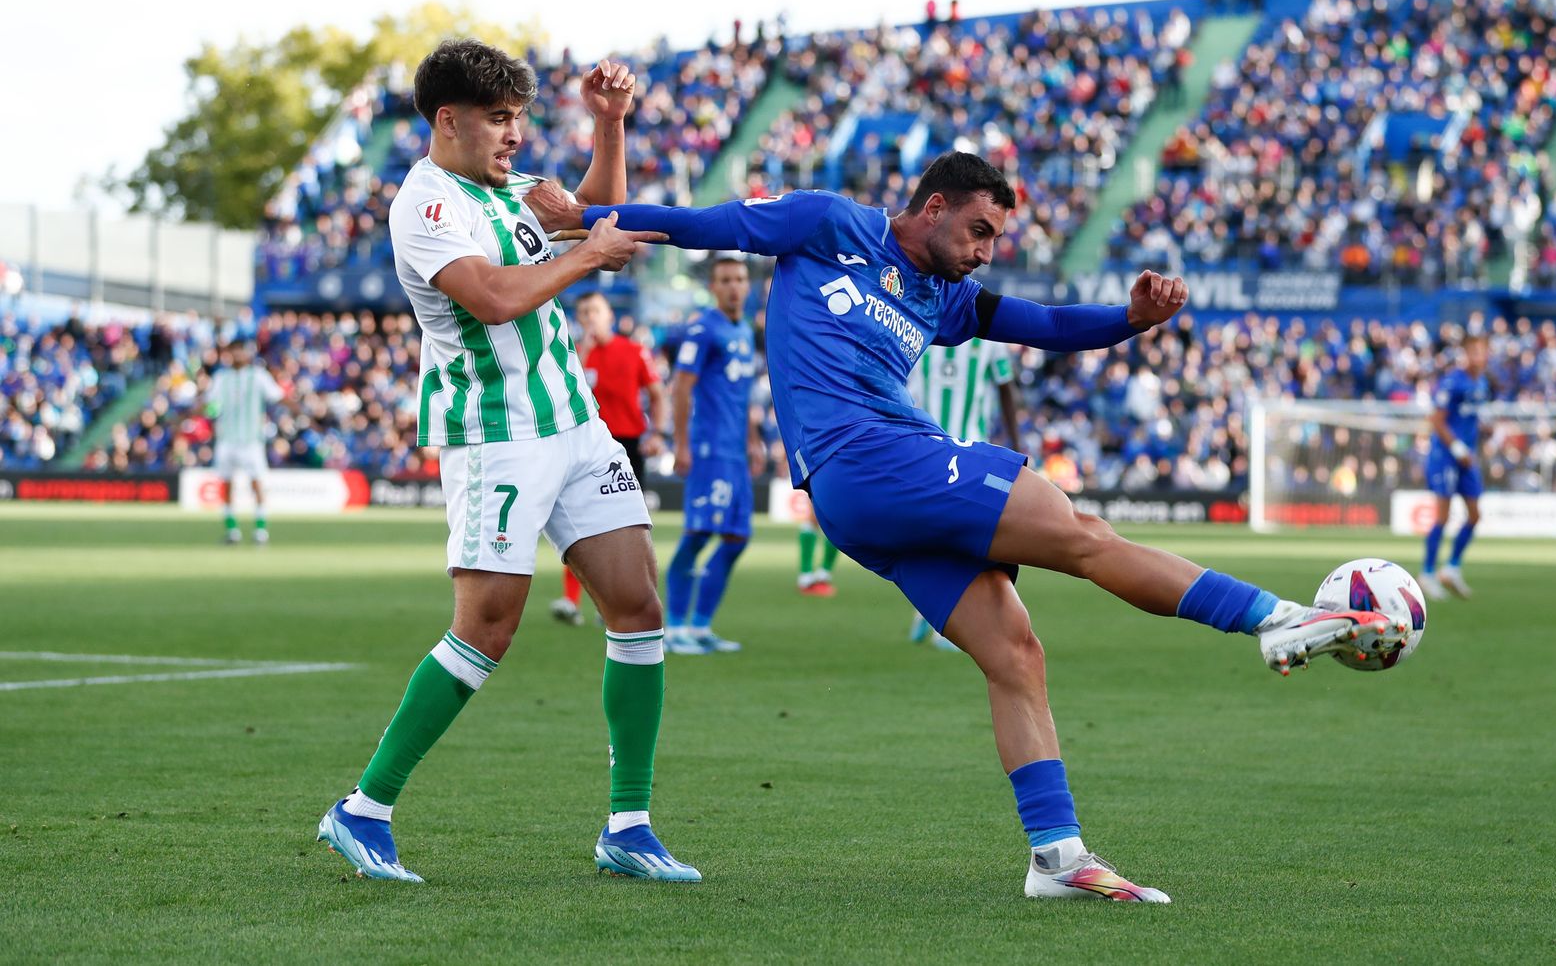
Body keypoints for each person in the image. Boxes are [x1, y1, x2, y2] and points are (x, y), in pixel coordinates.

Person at [525, 151, 1407, 902]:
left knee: (1015, 651)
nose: (986, 255)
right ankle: (1273, 617)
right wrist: (588, 216)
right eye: (980, 232)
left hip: (865, 493)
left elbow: (1047, 325)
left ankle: (1056, 855)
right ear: (935, 206)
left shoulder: (945, 297)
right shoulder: (829, 224)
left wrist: (1131, 321)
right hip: (870, 459)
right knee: (1081, 532)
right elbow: (699, 221)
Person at [315, 38, 700, 885]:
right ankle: (363, 808)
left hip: (575, 424)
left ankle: (627, 826)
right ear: (447, 121)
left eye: (520, 117)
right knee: (487, 626)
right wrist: (584, 257)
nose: (516, 134)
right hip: (498, 436)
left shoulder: (513, 186)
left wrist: (610, 124)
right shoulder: (425, 206)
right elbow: (490, 296)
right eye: (499, 118)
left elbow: (592, 205)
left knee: (637, 606)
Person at [663, 256, 763, 654]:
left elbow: (741, 395)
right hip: (709, 447)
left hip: (735, 450)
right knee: (699, 532)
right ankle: (673, 628)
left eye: (739, 279)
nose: (734, 286)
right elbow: (681, 388)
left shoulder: (743, 329)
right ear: (713, 287)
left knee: (737, 537)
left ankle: (701, 626)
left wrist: (753, 439)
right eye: (725, 280)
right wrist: (682, 444)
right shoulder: (703, 329)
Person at [548, 291, 666, 626]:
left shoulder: (634, 351)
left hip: (625, 445)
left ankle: (623, 600)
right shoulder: (572, 355)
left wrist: (657, 432)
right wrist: (582, 352)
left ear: (609, 315)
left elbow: (657, 394)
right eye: (583, 312)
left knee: (627, 525)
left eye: (595, 311)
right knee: (577, 524)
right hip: (583, 444)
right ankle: (571, 602)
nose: (589, 318)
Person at [905, 335, 1020, 651]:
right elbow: (1006, 388)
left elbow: (1005, 386)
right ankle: (940, 618)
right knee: (945, 534)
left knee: (953, 533)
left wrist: (1017, 444)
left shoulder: (984, 336)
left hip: (951, 451)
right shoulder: (925, 331)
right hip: (940, 449)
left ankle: (931, 613)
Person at [1420, 334, 1491, 600]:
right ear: (1465, 353)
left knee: (1474, 515)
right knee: (1442, 516)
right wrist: (1458, 448)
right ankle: (1427, 573)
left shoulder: (1481, 383)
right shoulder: (1453, 381)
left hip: (1467, 459)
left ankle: (1451, 568)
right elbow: (1437, 420)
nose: (1477, 356)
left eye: (1481, 351)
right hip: (1447, 456)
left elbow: (1468, 419)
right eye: (1472, 351)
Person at [207, 339, 284, 545]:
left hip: (251, 440)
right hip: (227, 440)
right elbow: (210, 404)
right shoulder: (221, 377)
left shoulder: (258, 376)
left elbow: (278, 396)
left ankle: (260, 530)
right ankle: (232, 530)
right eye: (235, 351)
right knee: (226, 484)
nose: (238, 355)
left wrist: (300, 409)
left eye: (241, 351)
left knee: (256, 482)